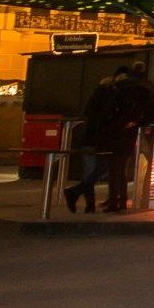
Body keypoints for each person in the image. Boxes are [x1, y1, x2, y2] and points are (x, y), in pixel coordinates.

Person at [104, 65, 154, 213]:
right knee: (121, 168)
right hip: (129, 134)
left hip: (115, 133)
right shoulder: (143, 94)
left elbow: (108, 112)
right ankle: (121, 200)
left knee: (115, 168)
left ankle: (115, 200)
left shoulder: (118, 93)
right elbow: (148, 113)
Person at [64, 74, 117, 214]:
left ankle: (89, 205)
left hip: (88, 140)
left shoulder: (94, 101)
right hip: (99, 141)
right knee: (102, 169)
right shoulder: (108, 101)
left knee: (90, 171)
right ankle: (75, 192)